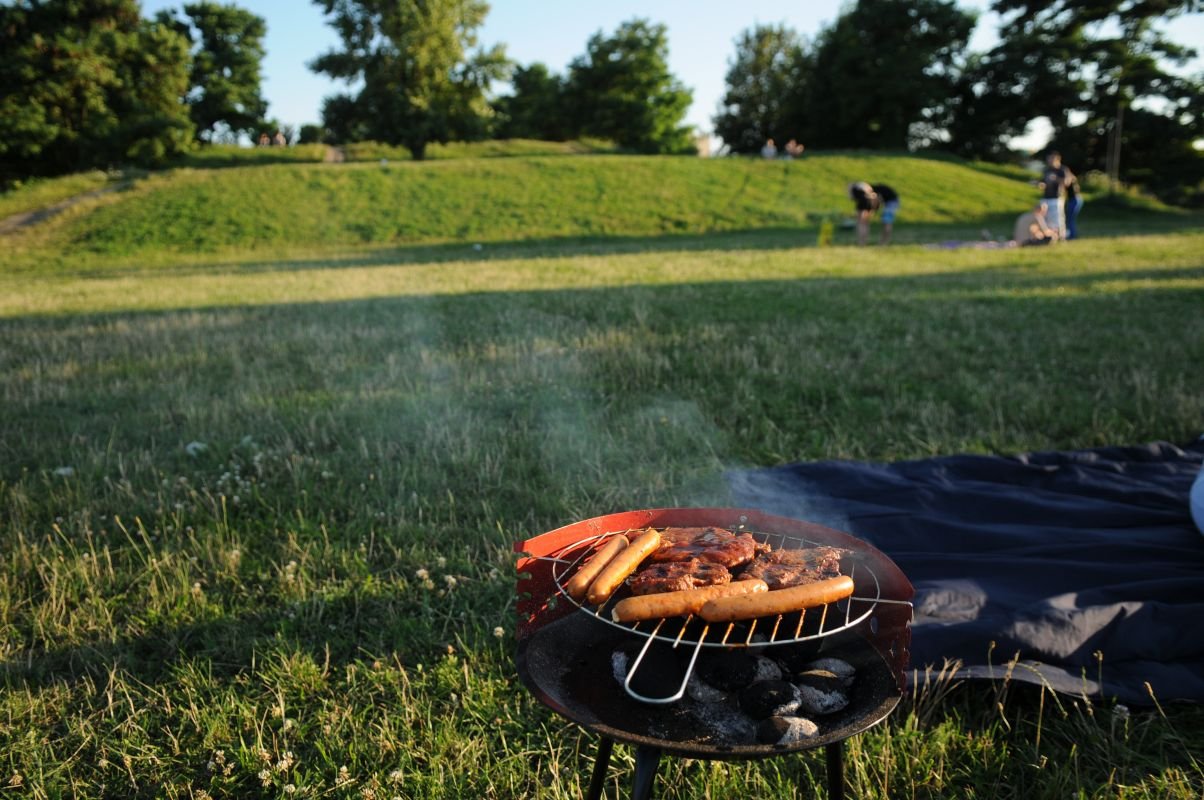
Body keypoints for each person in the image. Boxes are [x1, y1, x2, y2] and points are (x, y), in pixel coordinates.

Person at [848, 181, 900, 245]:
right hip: (890, 200)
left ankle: (864, 243)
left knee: (863, 223)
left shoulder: (864, 190)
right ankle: (882, 243)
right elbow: (876, 201)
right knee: (866, 223)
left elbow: (877, 199)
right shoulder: (869, 189)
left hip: (891, 201)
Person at [1038, 151, 1071, 238]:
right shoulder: (1047, 170)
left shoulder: (1062, 169)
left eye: (1051, 158)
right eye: (1048, 158)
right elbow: (1043, 182)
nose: (1049, 160)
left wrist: (1056, 179)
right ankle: (1049, 236)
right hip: (1046, 197)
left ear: (1057, 159)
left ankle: (1061, 236)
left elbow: (1067, 182)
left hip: (1057, 198)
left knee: (1058, 218)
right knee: (1046, 218)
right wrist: (1041, 185)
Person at [1064, 171, 1083, 240]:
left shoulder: (1069, 178)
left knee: (1070, 219)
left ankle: (1072, 235)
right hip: (1076, 199)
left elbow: (1066, 184)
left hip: (1074, 200)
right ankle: (1072, 234)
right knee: (1070, 218)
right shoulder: (1073, 179)